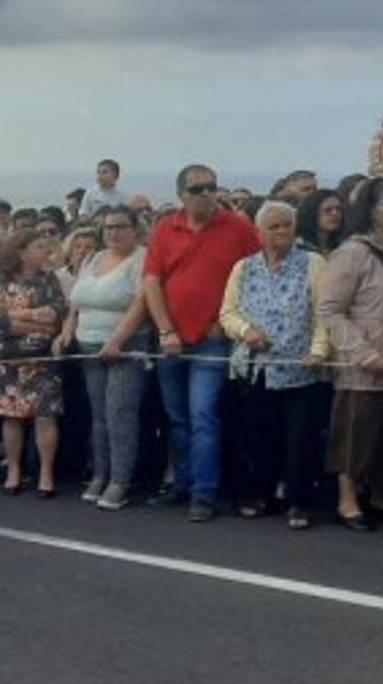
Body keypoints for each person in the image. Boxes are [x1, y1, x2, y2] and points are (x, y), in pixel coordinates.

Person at [144, 164, 260, 522]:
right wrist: (166, 330)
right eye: (197, 189)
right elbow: (152, 282)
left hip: (211, 341)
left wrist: (228, 324)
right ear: (182, 194)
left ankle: (204, 493)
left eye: (211, 187)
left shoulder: (238, 227)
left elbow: (254, 277)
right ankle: (182, 483)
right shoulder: (166, 228)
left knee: (202, 416)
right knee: (177, 418)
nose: (207, 193)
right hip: (170, 341)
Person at [218, 201, 329, 530]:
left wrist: (320, 350)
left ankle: (299, 502)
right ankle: (262, 494)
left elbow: (324, 310)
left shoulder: (313, 263)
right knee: (260, 436)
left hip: (301, 367)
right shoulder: (244, 267)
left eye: (287, 226)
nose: (282, 232)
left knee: (301, 438)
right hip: (256, 368)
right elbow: (228, 313)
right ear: (259, 232)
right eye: (274, 227)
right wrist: (246, 332)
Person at [318, 178, 383, 532]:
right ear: (370, 211)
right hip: (366, 363)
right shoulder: (353, 253)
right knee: (358, 435)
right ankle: (348, 500)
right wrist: (361, 351)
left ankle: (382, 498)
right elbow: (330, 310)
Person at [57, 206, 150, 510]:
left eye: (121, 226)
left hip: (125, 346)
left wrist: (117, 340)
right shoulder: (93, 258)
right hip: (88, 345)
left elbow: (141, 303)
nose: (113, 232)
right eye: (108, 227)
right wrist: (67, 331)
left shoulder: (141, 259)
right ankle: (100, 473)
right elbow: (76, 304)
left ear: (135, 229)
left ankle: (120, 479)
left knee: (119, 414)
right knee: (98, 415)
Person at [0, 231, 67, 498]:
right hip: (11, 360)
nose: (46, 251)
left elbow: (56, 315)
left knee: (46, 417)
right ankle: (14, 471)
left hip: (43, 359)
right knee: (12, 418)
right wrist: (36, 320)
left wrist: (22, 316)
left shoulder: (49, 280)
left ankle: (46, 473)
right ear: (21, 252)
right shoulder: (1, 282)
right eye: (39, 246)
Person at [296, 189, 348, 255]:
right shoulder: (299, 247)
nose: (335, 213)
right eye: (328, 210)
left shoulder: (343, 245)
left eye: (338, 209)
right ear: (313, 213)